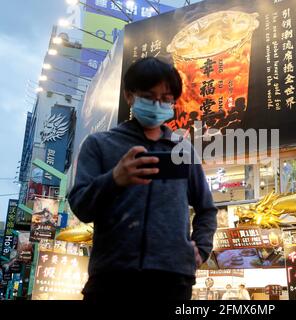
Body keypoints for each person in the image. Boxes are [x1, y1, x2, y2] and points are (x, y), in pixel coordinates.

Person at [68, 57, 218, 302]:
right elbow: (81, 207)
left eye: (166, 99)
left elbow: (206, 208)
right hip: (112, 278)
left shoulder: (183, 150)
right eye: (149, 97)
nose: (158, 104)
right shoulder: (99, 145)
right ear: (129, 95)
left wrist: (200, 248)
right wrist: (115, 179)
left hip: (172, 279)